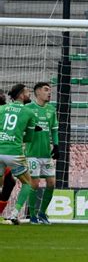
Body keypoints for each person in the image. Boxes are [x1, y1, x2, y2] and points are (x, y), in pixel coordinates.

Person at [0, 84, 37, 225]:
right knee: (28, 183)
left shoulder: (1, 109)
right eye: (27, 92)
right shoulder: (29, 112)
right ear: (21, 95)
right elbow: (29, 138)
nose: (29, 95)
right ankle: (14, 215)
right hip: (14, 153)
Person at [25, 82, 59, 224]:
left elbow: (54, 129)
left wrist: (56, 145)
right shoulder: (28, 108)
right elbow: (22, 126)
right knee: (35, 183)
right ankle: (32, 215)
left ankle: (42, 213)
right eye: (46, 90)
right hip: (32, 153)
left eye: (50, 90)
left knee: (51, 183)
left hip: (46, 153)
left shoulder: (51, 109)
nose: (49, 93)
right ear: (37, 92)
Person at [0, 90, 17, 221]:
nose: (3, 96)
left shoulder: (6, 111)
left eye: (3, 94)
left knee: (10, 182)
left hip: (4, 150)